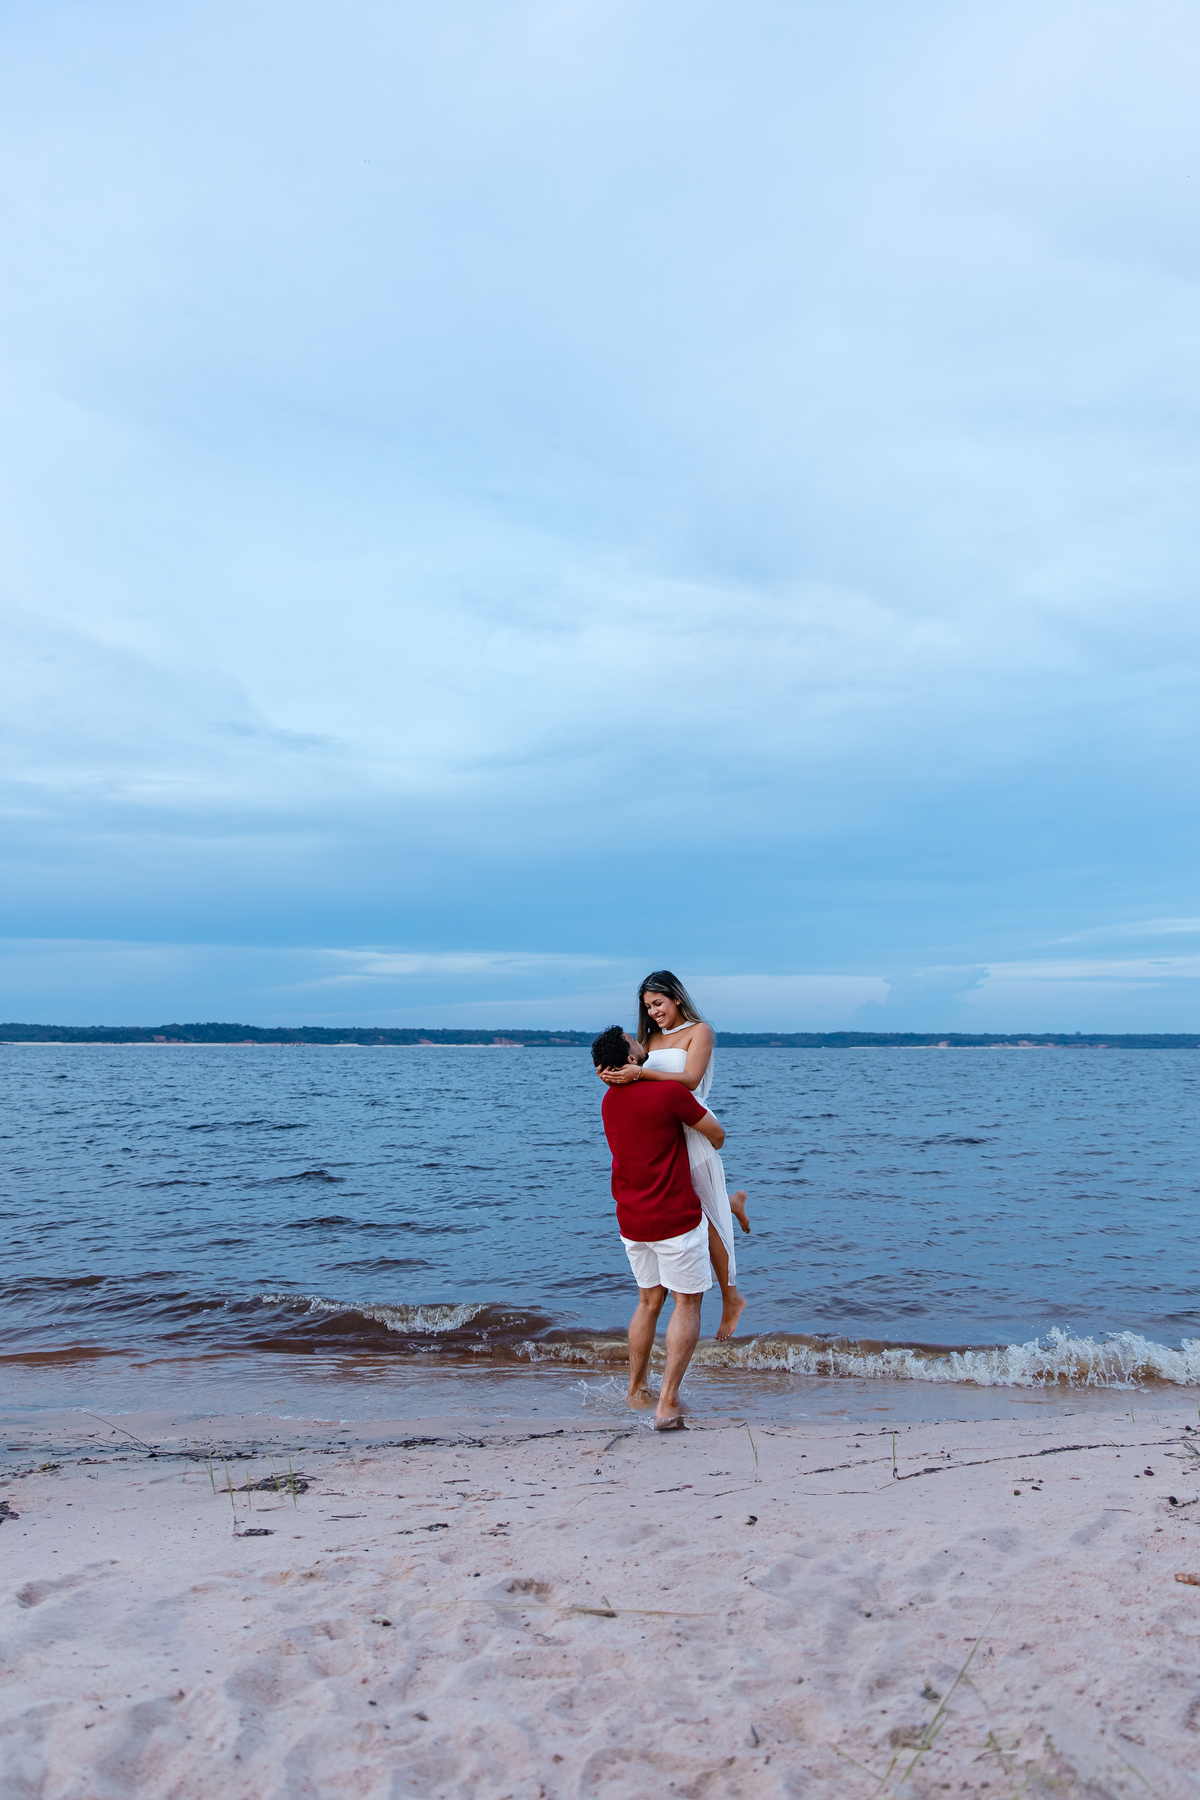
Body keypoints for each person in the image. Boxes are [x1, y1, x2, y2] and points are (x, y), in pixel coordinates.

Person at [596, 971, 750, 1339]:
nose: (653, 1012)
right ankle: (729, 1202)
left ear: (676, 998)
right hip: (661, 1130)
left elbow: (692, 1079)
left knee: (704, 1215)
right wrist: (612, 1076)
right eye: (647, 1007)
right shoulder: (647, 1038)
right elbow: (630, 1072)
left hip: (690, 1124)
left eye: (658, 1003)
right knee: (692, 1203)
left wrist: (640, 1075)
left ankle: (731, 1298)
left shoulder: (700, 1031)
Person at [592, 1024, 727, 1430]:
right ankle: (667, 1403)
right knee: (687, 1304)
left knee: (648, 1302)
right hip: (673, 1218)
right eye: (634, 1040)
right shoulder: (668, 1094)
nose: (641, 1039)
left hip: (631, 1220)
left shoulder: (608, 1101)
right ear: (631, 1058)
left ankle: (636, 1390)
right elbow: (717, 1137)